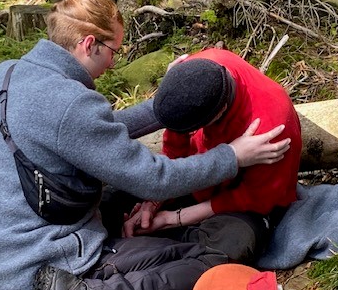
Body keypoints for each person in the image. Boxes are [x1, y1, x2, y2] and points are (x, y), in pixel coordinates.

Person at [0, 0, 291, 290]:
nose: (113, 62)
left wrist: (169, 103)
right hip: (43, 271)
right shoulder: (69, 104)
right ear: (88, 43)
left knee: (117, 205)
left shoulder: (5, 74)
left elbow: (89, 134)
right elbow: (154, 177)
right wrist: (232, 156)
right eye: (114, 51)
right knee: (205, 259)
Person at [123, 48, 302, 265]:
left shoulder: (269, 129)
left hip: (241, 201)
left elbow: (253, 199)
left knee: (232, 245)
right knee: (122, 190)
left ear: (219, 112)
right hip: (198, 173)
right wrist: (153, 200)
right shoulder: (193, 70)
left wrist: (171, 219)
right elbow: (175, 144)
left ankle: (159, 251)